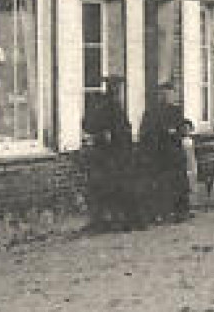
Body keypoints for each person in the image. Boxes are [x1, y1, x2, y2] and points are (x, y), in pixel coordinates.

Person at [81, 74, 133, 230]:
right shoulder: (102, 104)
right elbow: (88, 125)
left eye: (118, 87)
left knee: (117, 184)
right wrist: (102, 134)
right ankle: (105, 218)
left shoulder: (118, 105)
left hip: (119, 151)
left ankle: (115, 218)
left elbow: (124, 129)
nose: (116, 90)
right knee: (107, 184)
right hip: (107, 152)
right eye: (114, 86)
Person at [138, 80, 192, 223]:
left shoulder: (176, 110)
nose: (168, 96)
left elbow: (182, 127)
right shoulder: (152, 112)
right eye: (164, 93)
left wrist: (184, 128)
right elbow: (146, 132)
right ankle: (161, 212)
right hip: (160, 153)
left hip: (175, 153)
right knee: (162, 184)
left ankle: (181, 211)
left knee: (179, 183)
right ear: (160, 95)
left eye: (170, 93)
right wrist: (164, 132)